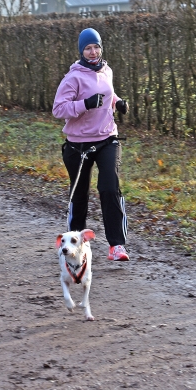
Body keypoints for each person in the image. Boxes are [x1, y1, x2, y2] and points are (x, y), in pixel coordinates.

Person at [52, 28, 130, 262]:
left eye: (96, 46)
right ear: (81, 51)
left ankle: (117, 246)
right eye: (88, 48)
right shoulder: (73, 78)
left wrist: (118, 102)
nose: (93, 51)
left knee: (109, 188)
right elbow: (58, 109)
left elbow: (108, 95)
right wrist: (84, 104)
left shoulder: (107, 70)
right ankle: (74, 244)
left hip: (107, 138)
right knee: (80, 195)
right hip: (78, 145)